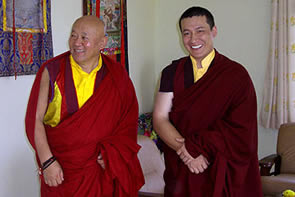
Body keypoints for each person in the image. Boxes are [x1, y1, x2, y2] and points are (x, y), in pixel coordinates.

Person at [25, 15, 144, 197]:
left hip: (101, 172)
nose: (77, 42)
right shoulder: (53, 71)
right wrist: (47, 161)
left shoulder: (117, 74)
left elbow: (128, 121)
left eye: (84, 37)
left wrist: (113, 155)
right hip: (62, 173)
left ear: (102, 43)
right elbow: (35, 119)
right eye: (73, 36)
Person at [153, 6, 262, 197]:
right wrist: (186, 152)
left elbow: (243, 130)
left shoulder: (236, 75)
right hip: (183, 168)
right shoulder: (171, 73)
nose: (193, 39)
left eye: (200, 31)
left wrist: (198, 148)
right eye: (186, 33)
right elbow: (160, 118)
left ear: (214, 31)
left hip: (222, 167)